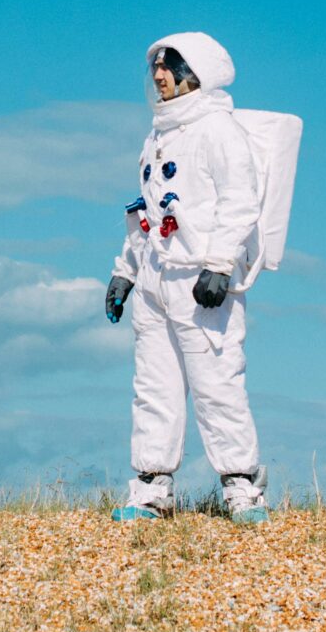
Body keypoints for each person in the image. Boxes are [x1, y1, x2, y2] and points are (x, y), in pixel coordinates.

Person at [105, 31, 268, 522]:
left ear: (197, 73)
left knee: (217, 379)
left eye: (169, 65)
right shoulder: (157, 135)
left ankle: (241, 485)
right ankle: (152, 488)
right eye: (156, 66)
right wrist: (126, 271)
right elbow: (149, 212)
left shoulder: (218, 130)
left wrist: (219, 264)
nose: (158, 76)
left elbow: (241, 202)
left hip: (200, 278)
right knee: (153, 384)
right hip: (156, 277)